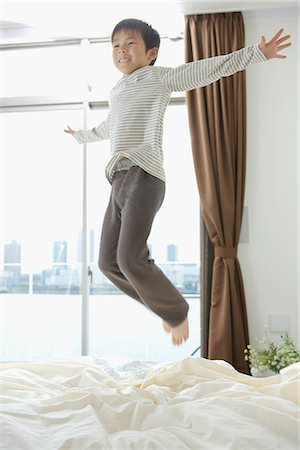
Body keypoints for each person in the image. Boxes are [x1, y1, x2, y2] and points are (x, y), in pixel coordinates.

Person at [64, 19, 291, 346]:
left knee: (130, 258)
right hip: (119, 180)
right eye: (115, 45)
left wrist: (257, 53)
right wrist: (79, 136)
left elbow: (207, 69)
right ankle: (166, 308)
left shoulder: (158, 77)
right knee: (108, 263)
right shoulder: (117, 91)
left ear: (151, 52)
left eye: (130, 44)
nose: (121, 50)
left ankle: (175, 310)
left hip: (145, 176)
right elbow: (107, 128)